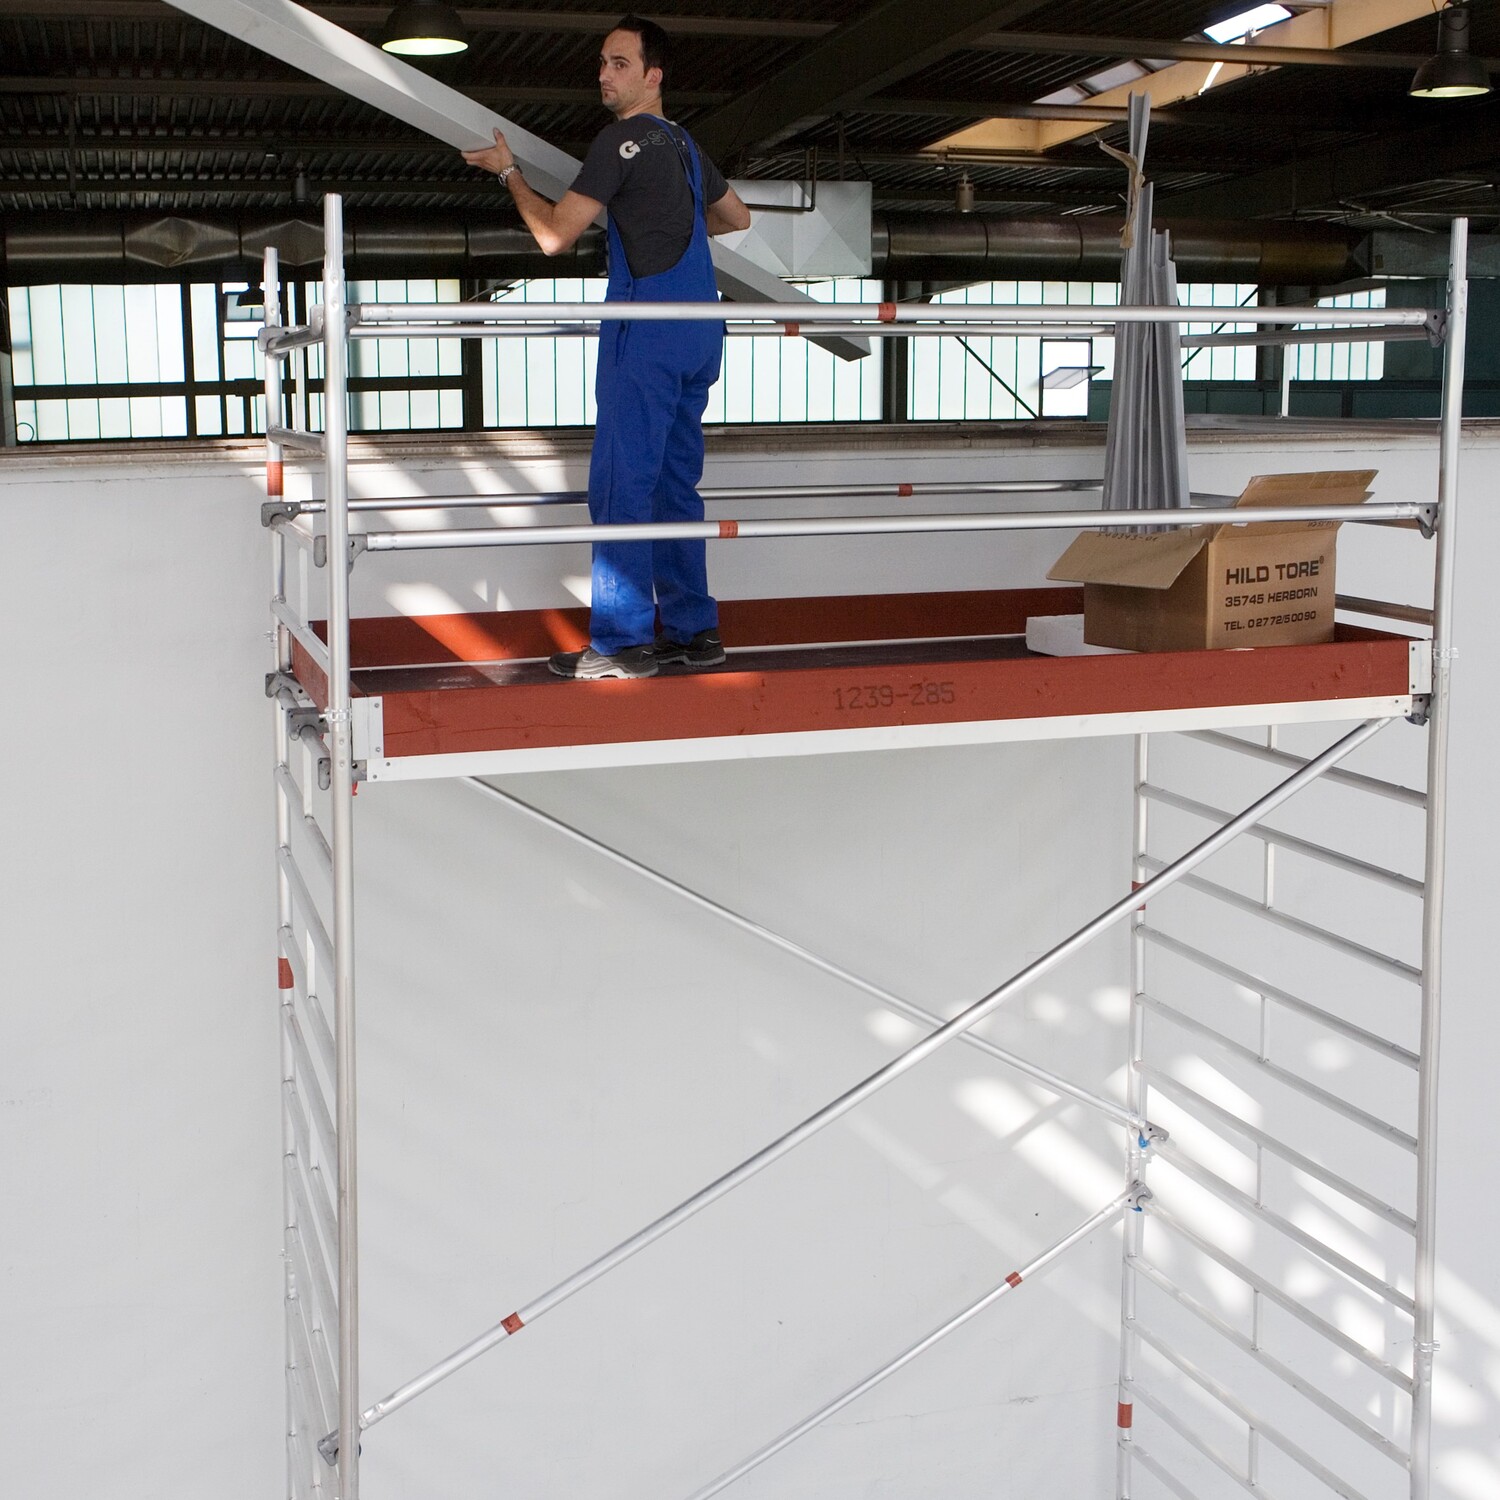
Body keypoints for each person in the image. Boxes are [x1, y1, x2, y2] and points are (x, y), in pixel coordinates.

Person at [463, 14, 752, 679]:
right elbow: (737, 217)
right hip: (700, 332)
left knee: (623, 483)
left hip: (645, 331)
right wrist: (667, 221)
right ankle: (694, 632)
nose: (604, 75)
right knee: (675, 486)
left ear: (654, 75)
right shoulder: (685, 145)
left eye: (619, 63)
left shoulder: (618, 141)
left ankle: (622, 643)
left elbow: (553, 236)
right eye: (601, 62)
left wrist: (509, 173)